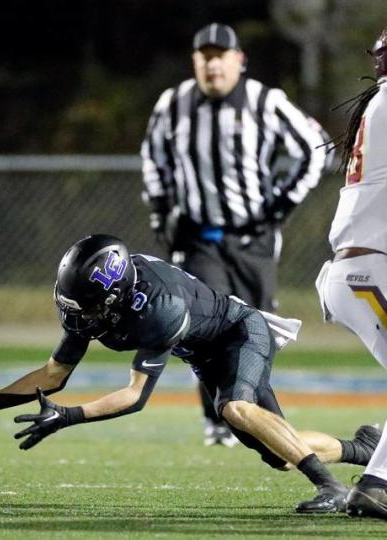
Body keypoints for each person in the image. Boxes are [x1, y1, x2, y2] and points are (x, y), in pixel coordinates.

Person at [0, 234, 379, 514]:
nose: (76, 315)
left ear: (115, 298)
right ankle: (362, 449)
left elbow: (135, 396)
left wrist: (69, 417)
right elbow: (54, 374)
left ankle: (331, 487)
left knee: (235, 408)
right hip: (206, 353)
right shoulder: (96, 302)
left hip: (240, 332)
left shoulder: (158, 309)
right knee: (280, 454)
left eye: (86, 306)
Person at [140, 23, 329, 446]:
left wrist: (281, 205)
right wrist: (160, 212)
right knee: (204, 326)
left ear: (238, 60)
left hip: (253, 240)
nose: (212, 64)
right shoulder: (174, 104)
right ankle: (219, 419)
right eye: (204, 56)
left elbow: (315, 147)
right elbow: (153, 158)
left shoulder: (266, 101)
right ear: (195, 62)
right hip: (200, 238)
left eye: (220, 56)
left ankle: (257, 415)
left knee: (257, 326)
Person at [316, 26, 387, 520]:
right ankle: (376, 484)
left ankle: (380, 470)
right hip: (369, 270)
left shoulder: (379, 104)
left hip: (361, 269)